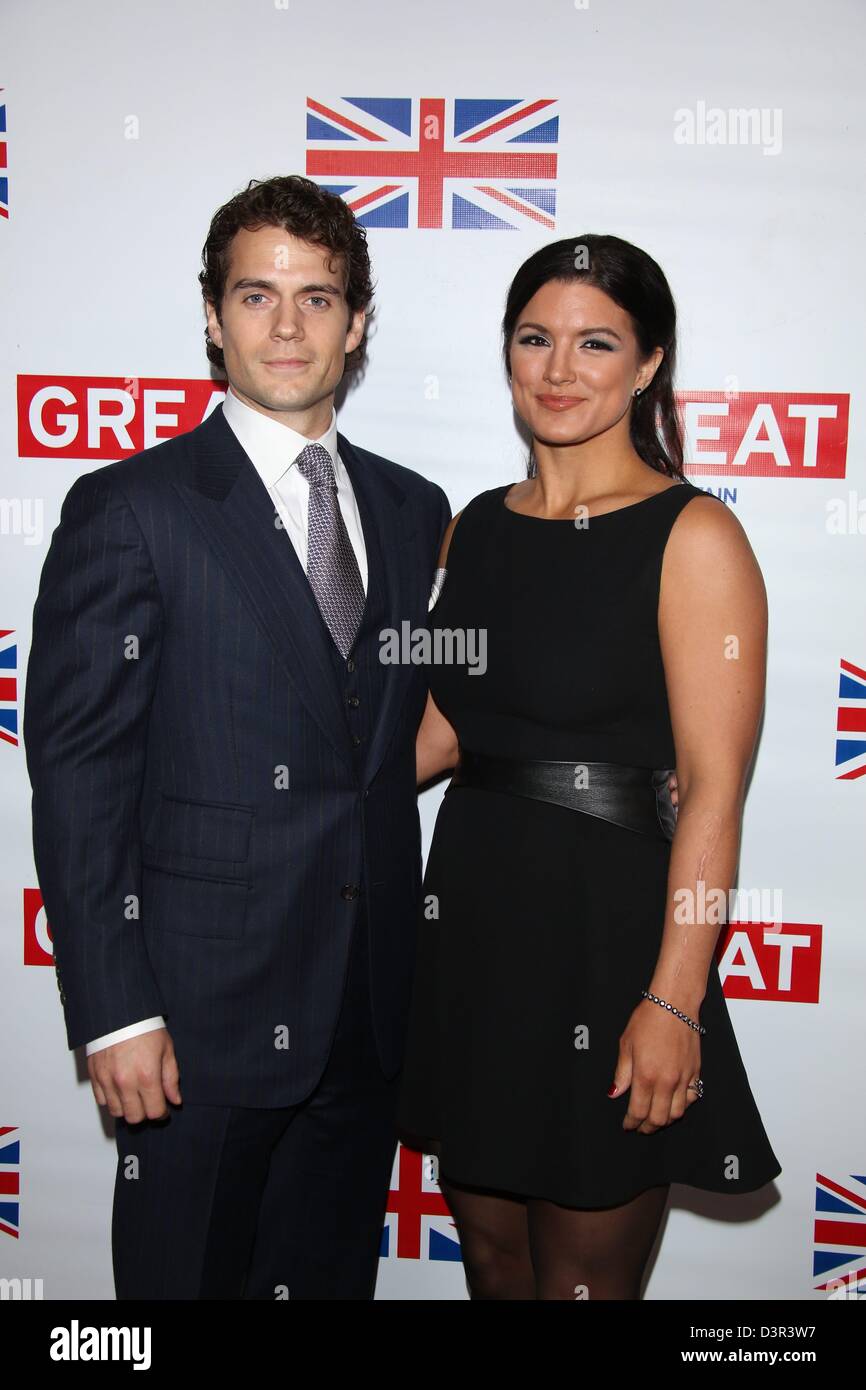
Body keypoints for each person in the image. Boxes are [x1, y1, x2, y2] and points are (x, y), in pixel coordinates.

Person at [23, 174, 450, 1300]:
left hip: (360, 1018)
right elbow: (77, 773)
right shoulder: (134, 507)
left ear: (357, 323)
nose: (289, 325)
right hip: (194, 1024)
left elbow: (388, 733)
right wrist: (116, 1007)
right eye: (256, 296)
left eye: (318, 297)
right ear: (211, 317)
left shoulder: (412, 509)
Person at [399, 233, 782, 1300]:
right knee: (492, 1262)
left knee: (581, 1286)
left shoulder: (692, 536)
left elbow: (712, 787)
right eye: (534, 338)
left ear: (648, 361)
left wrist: (673, 1000)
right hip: (472, 938)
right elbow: (431, 731)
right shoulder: (470, 531)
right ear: (505, 351)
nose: (558, 370)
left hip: (607, 945)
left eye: (595, 343)